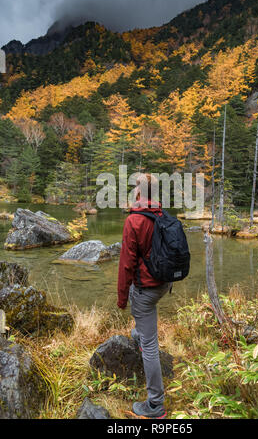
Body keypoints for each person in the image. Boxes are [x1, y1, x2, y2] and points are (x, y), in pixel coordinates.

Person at [117, 173, 170, 419]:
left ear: (139, 193)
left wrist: (121, 298)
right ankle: (141, 331)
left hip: (146, 289)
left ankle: (155, 404)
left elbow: (126, 264)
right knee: (146, 318)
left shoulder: (135, 220)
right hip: (162, 284)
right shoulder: (162, 215)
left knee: (149, 346)